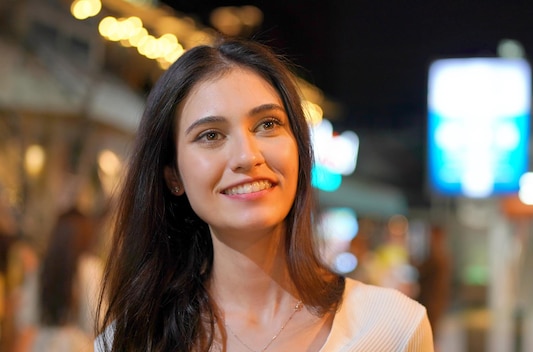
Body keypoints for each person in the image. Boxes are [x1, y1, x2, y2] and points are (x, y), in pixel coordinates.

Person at [95, 36, 434, 352]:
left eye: (267, 125)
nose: (247, 156)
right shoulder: (130, 341)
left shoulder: (394, 327)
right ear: (173, 175)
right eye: (211, 135)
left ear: (299, 148)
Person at [14, 208, 100, 352]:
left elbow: (26, 323)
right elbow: (96, 323)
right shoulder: (90, 269)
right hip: (78, 346)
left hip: (40, 345)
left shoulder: (41, 269)